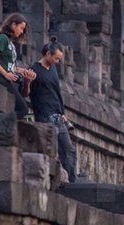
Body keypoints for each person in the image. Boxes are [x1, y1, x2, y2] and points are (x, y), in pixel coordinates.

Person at [29, 37, 78, 183]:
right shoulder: (34, 70)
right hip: (44, 115)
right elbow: (29, 93)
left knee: (68, 149)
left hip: (57, 115)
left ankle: (72, 180)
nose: (58, 61)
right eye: (56, 58)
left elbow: (57, 93)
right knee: (50, 149)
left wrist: (62, 113)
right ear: (48, 54)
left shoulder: (54, 71)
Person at [0, 12, 36, 119]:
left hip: (9, 80)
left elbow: (9, 65)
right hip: (0, 79)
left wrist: (22, 71)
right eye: (21, 28)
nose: (22, 31)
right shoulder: (2, 38)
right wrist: (5, 74)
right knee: (23, 110)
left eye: (23, 29)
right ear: (13, 25)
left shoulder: (10, 42)